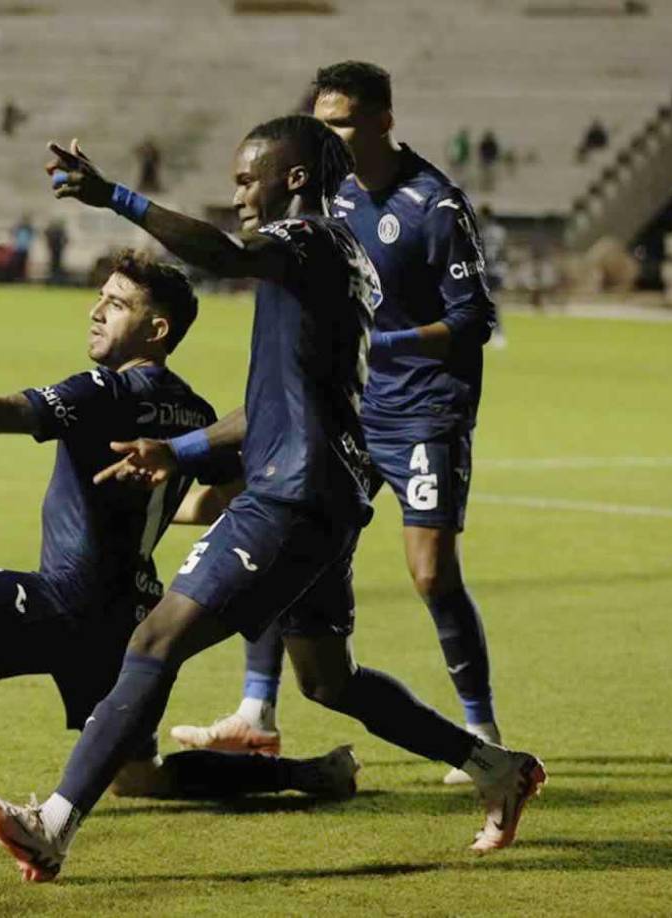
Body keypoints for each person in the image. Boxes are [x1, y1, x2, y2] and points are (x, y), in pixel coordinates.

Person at [0, 116, 546, 881]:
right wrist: (180, 450)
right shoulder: (333, 264)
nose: (238, 193)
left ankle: (53, 825)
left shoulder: (305, 244)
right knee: (328, 680)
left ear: (293, 180)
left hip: (289, 499)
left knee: (154, 642)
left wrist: (115, 197)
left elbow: (222, 254)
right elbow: (273, 408)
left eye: (247, 179)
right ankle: (496, 767)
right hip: (323, 494)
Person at [0, 252, 356, 825]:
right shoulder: (195, 412)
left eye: (116, 304)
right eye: (100, 298)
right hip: (136, 622)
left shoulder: (105, 391)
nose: (95, 312)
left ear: (157, 328)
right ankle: (306, 774)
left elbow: (5, 412)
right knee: (139, 778)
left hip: (71, 600)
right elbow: (220, 497)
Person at [174, 61, 510, 784]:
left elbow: (475, 318)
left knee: (430, 572)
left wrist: (385, 341)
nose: (331, 134)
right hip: (349, 412)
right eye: (322, 121)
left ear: (385, 121)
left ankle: (481, 725)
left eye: (345, 121)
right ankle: (256, 711)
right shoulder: (328, 202)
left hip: (423, 410)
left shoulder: (434, 205)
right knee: (284, 539)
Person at [44, 218, 69, 284]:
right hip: (56, 250)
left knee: (55, 265)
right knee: (55, 265)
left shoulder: (55, 231)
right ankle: (55, 278)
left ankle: (55, 278)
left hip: (56, 250)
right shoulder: (58, 232)